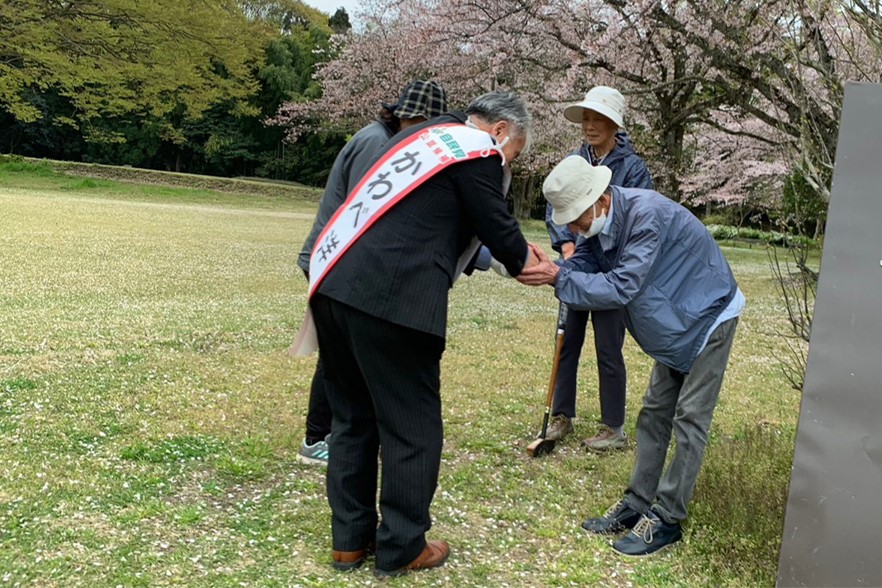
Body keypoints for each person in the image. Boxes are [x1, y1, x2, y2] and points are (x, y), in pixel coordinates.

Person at [309, 91, 539, 576]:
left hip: (334, 285)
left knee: (351, 419)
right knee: (411, 428)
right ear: (499, 131)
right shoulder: (475, 148)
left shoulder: (417, 137)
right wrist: (529, 263)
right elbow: (497, 227)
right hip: (395, 301)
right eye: (513, 156)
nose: (507, 166)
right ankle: (402, 546)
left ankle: (348, 542)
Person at [518, 156, 744, 557]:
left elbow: (622, 286)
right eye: (567, 222)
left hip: (709, 315)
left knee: (689, 418)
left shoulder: (646, 216)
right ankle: (637, 504)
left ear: (600, 199)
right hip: (675, 321)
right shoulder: (604, 219)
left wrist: (560, 277)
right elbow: (585, 261)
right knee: (655, 412)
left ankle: (667, 519)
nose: (573, 229)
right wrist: (554, 268)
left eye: (577, 219)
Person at [296, 80, 449, 466]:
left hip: (342, 260)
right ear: (409, 118)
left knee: (343, 352)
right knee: (338, 355)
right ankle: (319, 437)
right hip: (336, 258)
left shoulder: (385, 139)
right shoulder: (377, 145)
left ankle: (334, 432)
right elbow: (371, 212)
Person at [542, 86, 653, 451]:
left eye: (598, 119)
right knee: (567, 339)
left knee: (609, 347)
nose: (590, 126)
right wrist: (569, 245)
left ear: (614, 125)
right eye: (586, 118)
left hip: (613, 270)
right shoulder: (575, 159)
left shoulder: (633, 167)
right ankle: (561, 414)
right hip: (579, 262)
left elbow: (638, 216)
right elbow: (557, 208)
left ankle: (613, 426)